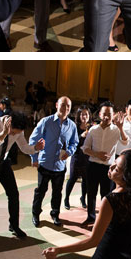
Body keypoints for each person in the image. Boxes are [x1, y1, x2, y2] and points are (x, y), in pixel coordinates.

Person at [0, 113, 44, 241]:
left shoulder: (17, 130)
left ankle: (14, 225)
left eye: (16, 133)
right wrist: (3, 134)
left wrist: (35, 148)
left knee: (13, 193)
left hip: (3, 161)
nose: (13, 135)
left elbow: (23, 147)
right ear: (9, 121)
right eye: (13, 132)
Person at [30, 96, 78, 227]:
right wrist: (34, 158)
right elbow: (33, 139)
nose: (65, 109)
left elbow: (75, 143)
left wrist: (69, 152)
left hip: (60, 166)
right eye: (63, 105)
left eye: (68, 106)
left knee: (57, 192)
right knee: (40, 191)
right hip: (45, 163)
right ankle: (35, 213)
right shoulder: (46, 121)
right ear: (57, 105)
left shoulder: (72, 126)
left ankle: (55, 214)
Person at [81, 102, 127, 225]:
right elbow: (85, 148)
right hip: (93, 166)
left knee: (106, 195)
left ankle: (103, 218)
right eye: (104, 114)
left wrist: (121, 127)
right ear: (100, 114)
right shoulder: (93, 129)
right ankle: (91, 217)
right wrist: (96, 154)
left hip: (108, 168)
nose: (107, 117)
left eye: (109, 114)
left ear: (113, 115)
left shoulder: (116, 130)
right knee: (91, 193)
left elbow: (125, 142)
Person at [64, 105, 91, 211]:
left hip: (87, 157)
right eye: (82, 114)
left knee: (86, 180)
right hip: (77, 156)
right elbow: (71, 143)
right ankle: (66, 198)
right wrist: (81, 136)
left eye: (87, 114)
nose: (85, 116)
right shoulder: (74, 127)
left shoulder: (92, 127)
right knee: (72, 178)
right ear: (79, 116)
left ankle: (83, 198)